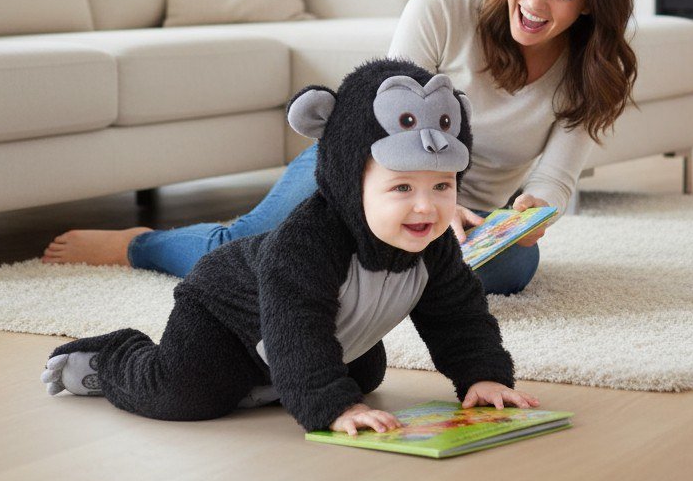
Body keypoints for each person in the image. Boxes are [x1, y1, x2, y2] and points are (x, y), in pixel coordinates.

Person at [43, 0, 637, 296]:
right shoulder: (442, 9)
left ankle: (372, 271)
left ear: (587, 6)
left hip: (462, 223)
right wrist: (431, 196)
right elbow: (381, 120)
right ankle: (135, 244)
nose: (534, 2)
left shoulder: (592, 71)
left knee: (513, 269)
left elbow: (555, 181)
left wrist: (528, 216)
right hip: (362, 177)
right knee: (252, 255)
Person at [41, 59, 539, 433]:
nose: (426, 209)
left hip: (314, 337)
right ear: (350, 184)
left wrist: (483, 375)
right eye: (402, 188)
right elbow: (294, 324)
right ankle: (113, 357)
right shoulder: (307, 243)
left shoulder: (435, 247)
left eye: (442, 188)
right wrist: (334, 407)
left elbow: (459, 316)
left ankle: (287, 382)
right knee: (188, 395)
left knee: (365, 371)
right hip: (227, 322)